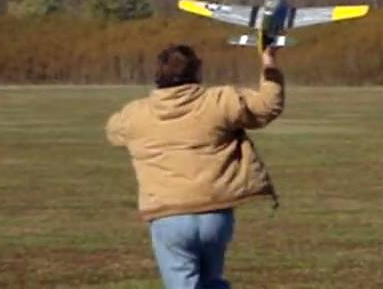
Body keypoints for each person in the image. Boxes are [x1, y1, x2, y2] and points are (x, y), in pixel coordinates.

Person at [106, 42, 285, 289]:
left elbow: (113, 132)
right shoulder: (220, 101)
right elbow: (268, 106)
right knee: (212, 282)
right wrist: (269, 64)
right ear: (197, 72)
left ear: (158, 74)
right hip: (215, 213)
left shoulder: (135, 114)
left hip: (167, 216)